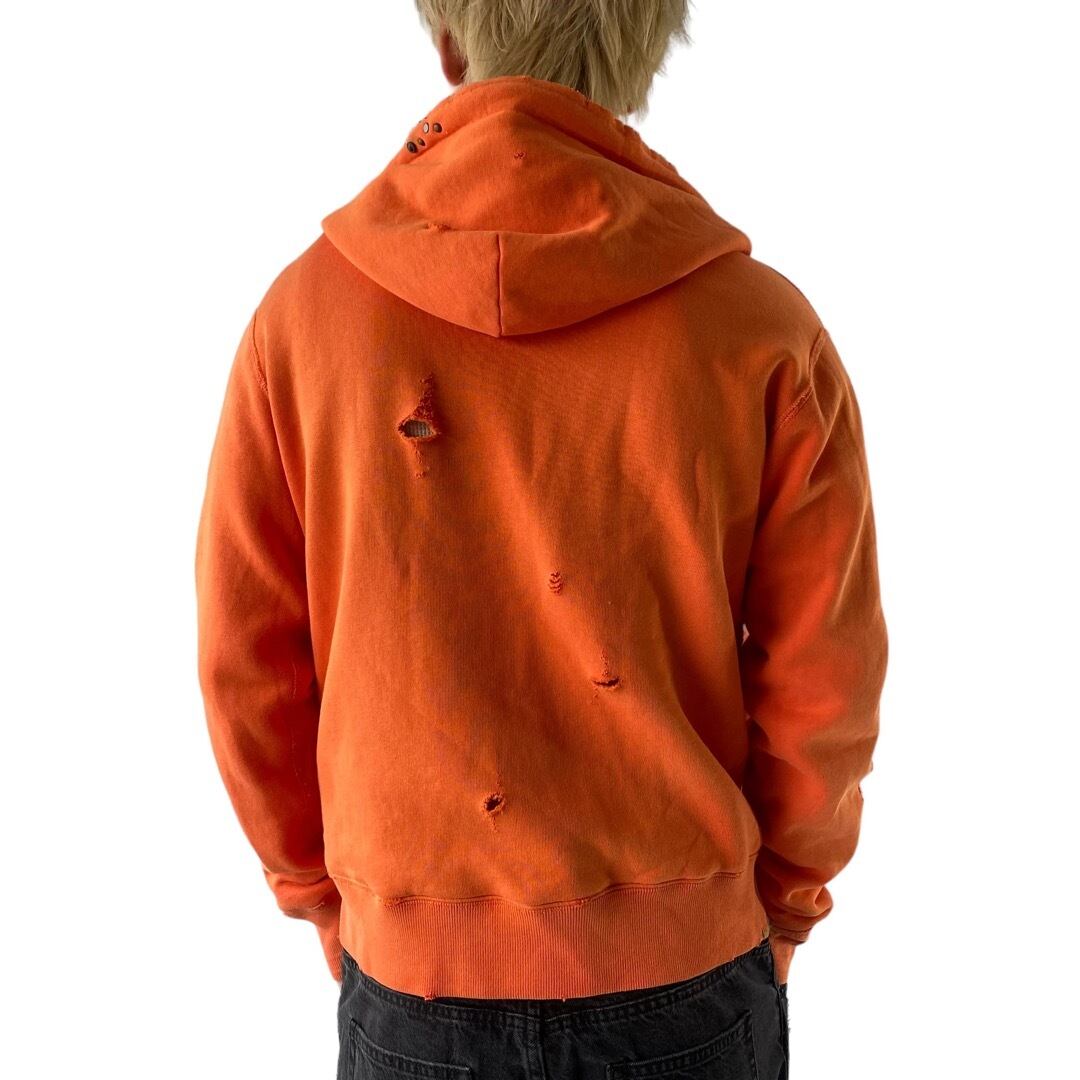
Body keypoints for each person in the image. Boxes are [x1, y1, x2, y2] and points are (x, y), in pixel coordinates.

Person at [194, 3, 888, 1077]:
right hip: (689, 979)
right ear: (646, 46)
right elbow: (825, 678)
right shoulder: (759, 328)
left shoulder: (301, 321)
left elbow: (246, 664)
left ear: (447, 40)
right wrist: (782, 903)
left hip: (414, 981)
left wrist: (331, 899)